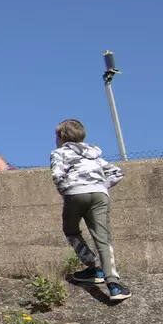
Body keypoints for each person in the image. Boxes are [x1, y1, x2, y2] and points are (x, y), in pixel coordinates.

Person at [50, 118, 131, 302]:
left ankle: (93, 267)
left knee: (71, 230)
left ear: (61, 137)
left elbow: (56, 175)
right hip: (100, 195)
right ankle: (114, 285)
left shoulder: (59, 153)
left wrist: (66, 190)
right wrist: (100, 185)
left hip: (75, 194)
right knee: (102, 239)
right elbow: (117, 172)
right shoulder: (93, 154)